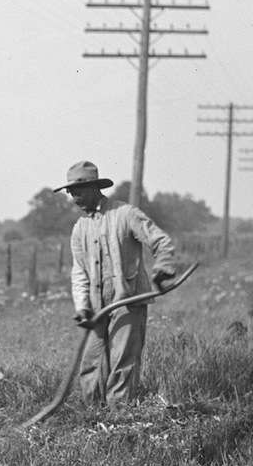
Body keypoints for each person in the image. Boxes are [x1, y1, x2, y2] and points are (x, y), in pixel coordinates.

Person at [54, 161, 178, 406]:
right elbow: (80, 271)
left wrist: (163, 267)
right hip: (98, 308)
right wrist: (82, 306)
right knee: (90, 365)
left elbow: (161, 242)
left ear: (93, 188)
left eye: (78, 191)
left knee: (123, 364)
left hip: (127, 302)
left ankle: (120, 421)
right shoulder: (80, 228)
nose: (74, 197)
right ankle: (93, 419)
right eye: (70, 193)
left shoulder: (125, 214)